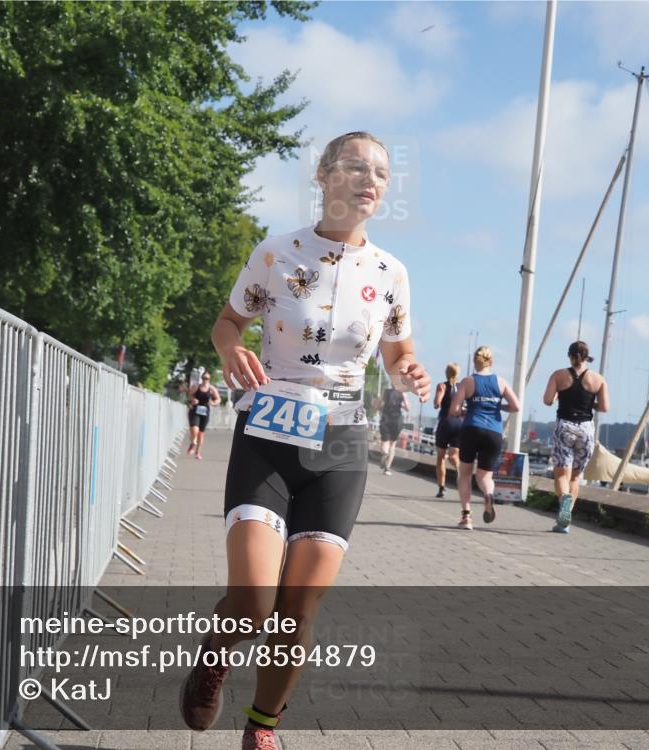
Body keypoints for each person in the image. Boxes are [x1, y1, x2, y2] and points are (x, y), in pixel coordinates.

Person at [179, 131, 430, 750]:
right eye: (354, 166)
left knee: (298, 611)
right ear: (323, 175)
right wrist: (232, 348)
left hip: (343, 445)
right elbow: (228, 322)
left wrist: (409, 372)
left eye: (381, 171)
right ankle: (215, 658)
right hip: (270, 429)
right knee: (255, 600)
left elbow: (398, 352)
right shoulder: (277, 253)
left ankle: (262, 728)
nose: (370, 179)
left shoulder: (391, 272)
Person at [449, 346, 520, 530]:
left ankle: (466, 517)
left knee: (464, 474)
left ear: (475, 361)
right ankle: (488, 494)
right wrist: (499, 407)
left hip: (471, 429)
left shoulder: (467, 381)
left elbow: (453, 410)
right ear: (491, 361)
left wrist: (465, 410)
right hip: (494, 433)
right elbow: (516, 406)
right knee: (485, 476)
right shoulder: (501, 382)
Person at [542, 340, 609, 533]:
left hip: (565, 426)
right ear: (587, 357)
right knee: (576, 476)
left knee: (561, 474)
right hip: (586, 429)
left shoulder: (559, 375)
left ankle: (564, 499)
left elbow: (547, 400)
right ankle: (566, 521)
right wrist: (590, 404)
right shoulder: (598, 379)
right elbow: (604, 407)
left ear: (570, 356)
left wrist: (559, 396)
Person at [432, 363, 463, 498]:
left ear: (446, 372)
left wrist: (437, 402)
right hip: (458, 423)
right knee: (454, 457)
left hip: (445, 422)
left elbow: (436, 403)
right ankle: (461, 473)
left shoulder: (442, 386)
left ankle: (442, 488)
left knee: (441, 458)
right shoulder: (462, 387)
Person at [187, 372, 221, 460]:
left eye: (207, 378)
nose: (205, 380)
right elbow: (189, 396)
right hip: (195, 410)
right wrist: (193, 400)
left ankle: (198, 453)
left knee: (201, 434)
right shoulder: (196, 387)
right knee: (194, 430)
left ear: (209, 379)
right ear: (201, 378)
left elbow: (218, 399)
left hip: (205, 412)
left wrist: (213, 403)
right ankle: (193, 443)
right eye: (204, 378)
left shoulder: (211, 389)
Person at [377, 385, 409, 475]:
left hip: (385, 418)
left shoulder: (385, 392)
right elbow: (408, 408)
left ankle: (384, 453)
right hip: (397, 420)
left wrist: (382, 408)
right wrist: (401, 405)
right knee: (393, 444)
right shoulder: (403, 393)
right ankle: (387, 468)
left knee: (385, 441)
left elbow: (377, 405)